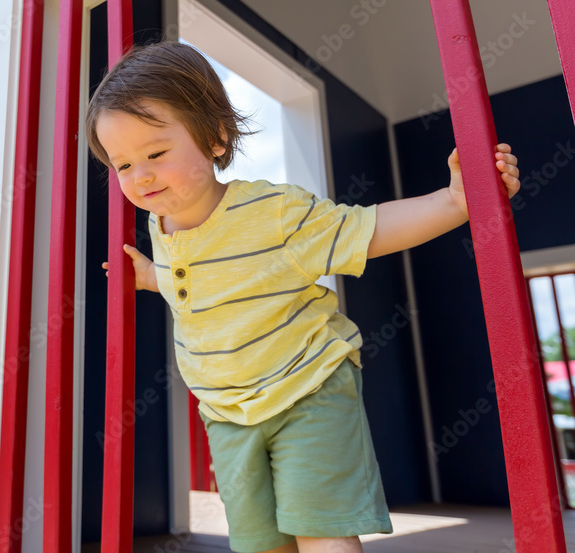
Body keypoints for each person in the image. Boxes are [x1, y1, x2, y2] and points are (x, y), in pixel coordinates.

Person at [89, 41, 520, 553]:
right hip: (227, 413)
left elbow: (368, 228)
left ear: (215, 138)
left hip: (306, 390)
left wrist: (453, 203)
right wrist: (153, 278)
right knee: (259, 544)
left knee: (322, 532)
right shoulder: (158, 225)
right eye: (122, 165)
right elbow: (210, 284)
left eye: (155, 153)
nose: (140, 177)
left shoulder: (273, 213)